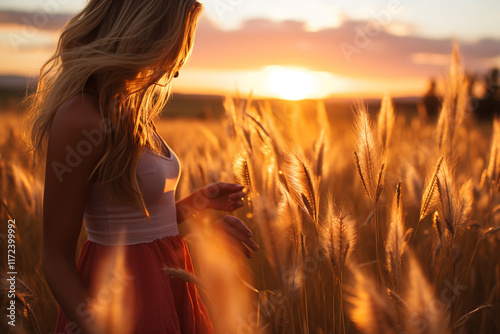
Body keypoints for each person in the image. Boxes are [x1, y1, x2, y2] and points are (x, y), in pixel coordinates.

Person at [20, 0, 259, 333]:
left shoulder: (131, 112)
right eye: (176, 45)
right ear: (146, 35)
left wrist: (197, 207)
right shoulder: (82, 117)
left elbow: (140, 228)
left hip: (168, 290)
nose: (175, 69)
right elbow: (55, 259)